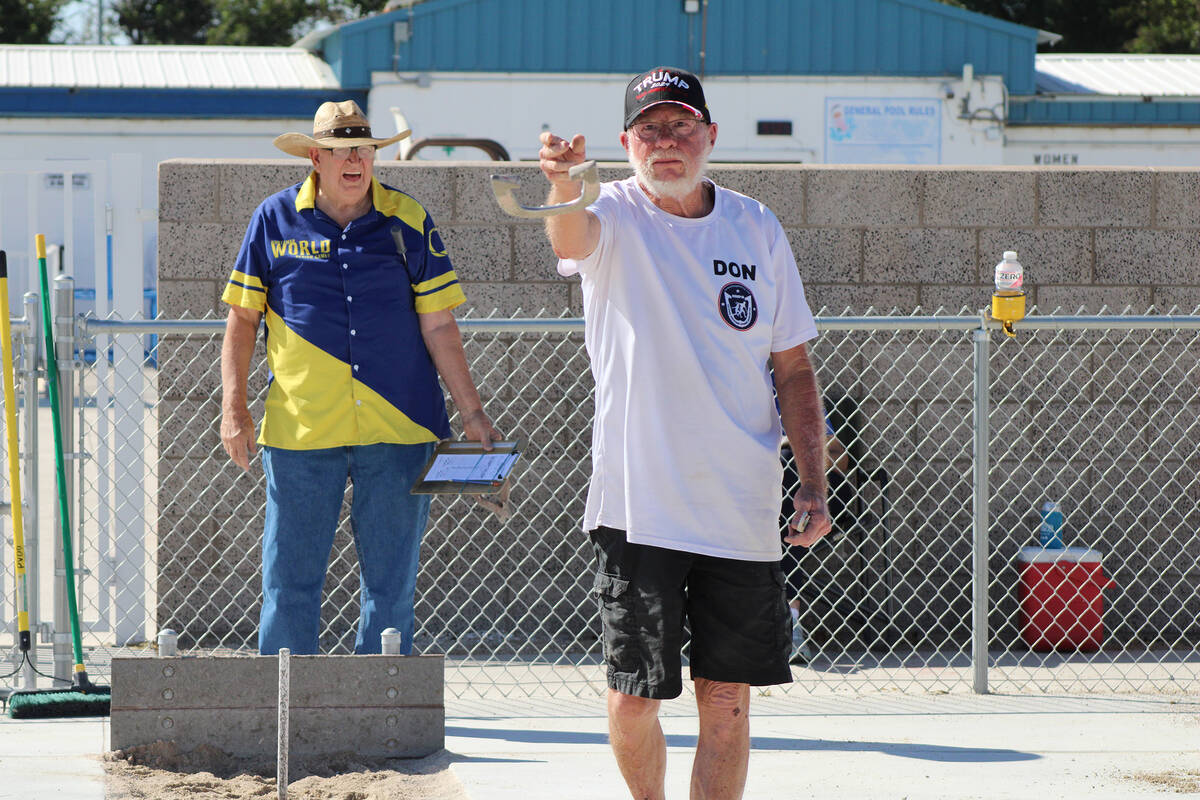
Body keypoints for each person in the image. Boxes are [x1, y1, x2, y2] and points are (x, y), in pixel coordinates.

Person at [539, 67, 832, 800]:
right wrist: (564, 181)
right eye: (650, 129)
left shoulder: (756, 226)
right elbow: (570, 234)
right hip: (642, 507)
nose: (665, 143)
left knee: (727, 701)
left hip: (740, 507)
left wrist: (815, 482)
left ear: (710, 137)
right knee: (634, 699)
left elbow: (792, 367)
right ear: (625, 143)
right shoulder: (611, 213)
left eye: (680, 127)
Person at [220, 99, 498, 657]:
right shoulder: (272, 218)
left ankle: (383, 704)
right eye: (342, 150)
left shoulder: (409, 219)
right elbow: (242, 318)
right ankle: (287, 702)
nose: (355, 160)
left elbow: (440, 324)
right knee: (288, 580)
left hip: (401, 426)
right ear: (315, 158)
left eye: (365, 150)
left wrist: (473, 414)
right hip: (300, 432)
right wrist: (233, 406)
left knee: (391, 586)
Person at [780, 421, 849, 664]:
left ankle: (787, 623)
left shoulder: (800, 390)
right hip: (764, 494)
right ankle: (790, 622)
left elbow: (839, 457)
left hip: (819, 493)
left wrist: (795, 446)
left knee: (788, 461)